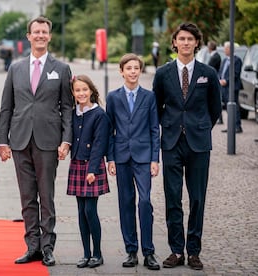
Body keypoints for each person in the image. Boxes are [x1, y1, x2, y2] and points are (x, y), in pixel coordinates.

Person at [0, 16, 73, 267]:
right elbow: (6, 107)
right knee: (27, 196)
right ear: (28, 36)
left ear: (49, 36)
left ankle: (48, 247)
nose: (40, 35)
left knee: (46, 196)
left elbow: (67, 108)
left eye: (44, 32)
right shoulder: (15, 69)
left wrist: (66, 141)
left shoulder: (61, 69)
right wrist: (1, 141)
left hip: (48, 141)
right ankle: (32, 246)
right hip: (19, 140)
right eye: (35, 32)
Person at [152, 22, 221, 270]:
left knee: (197, 199)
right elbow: (156, 107)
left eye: (190, 39)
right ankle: (175, 250)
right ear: (174, 43)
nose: (185, 43)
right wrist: (171, 126)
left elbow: (215, 108)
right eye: (181, 39)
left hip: (198, 144)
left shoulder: (208, 73)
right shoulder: (163, 73)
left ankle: (193, 251)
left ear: (196, 43)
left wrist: (199, 127)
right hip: (171, 142)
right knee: (172, 198)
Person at [106, 53, 160, 271]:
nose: (133, 71)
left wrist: (155, 159)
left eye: (136, 68)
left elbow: (154, 129)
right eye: (129, 68)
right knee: (126, 203)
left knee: (145, 202)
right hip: (121, 157)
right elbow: (109, 130)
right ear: (121, 71)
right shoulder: (113, 97)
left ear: (140, 71)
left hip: (144, 157)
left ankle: (149, 252)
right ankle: (131, 250)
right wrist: (109, 158)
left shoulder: (149, 97)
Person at [67, 75, 110, 269]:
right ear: (73, 93)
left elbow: (100, 145)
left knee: (90, 210)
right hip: (77, 164)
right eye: (77, 90)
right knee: (80, 212)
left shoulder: (99, 114)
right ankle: (85, 253)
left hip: (93, 167)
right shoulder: (73, 113)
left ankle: (98, 253)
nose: (81, 93)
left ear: (91, 91)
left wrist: (92, 169)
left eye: (84, 89)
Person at [218, 41, 243, 133]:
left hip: (232, 87)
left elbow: (235, 73)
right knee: (228, 108)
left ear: (231, 49)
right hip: (223, 87)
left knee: (234, 107)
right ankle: (230, 127)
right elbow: (221, 72)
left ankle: (237, 126)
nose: (225, 50)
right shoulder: (224, 60)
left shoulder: (237, 60)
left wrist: (226, 81)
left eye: (226, 48)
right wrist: (220, 79)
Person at [207, 41, 222, 124]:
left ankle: (219, 118)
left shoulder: (215, 56)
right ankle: (219, 118)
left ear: (210, 48)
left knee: (215, 98)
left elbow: (210, 69)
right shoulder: (214, 56)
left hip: (214, 80)